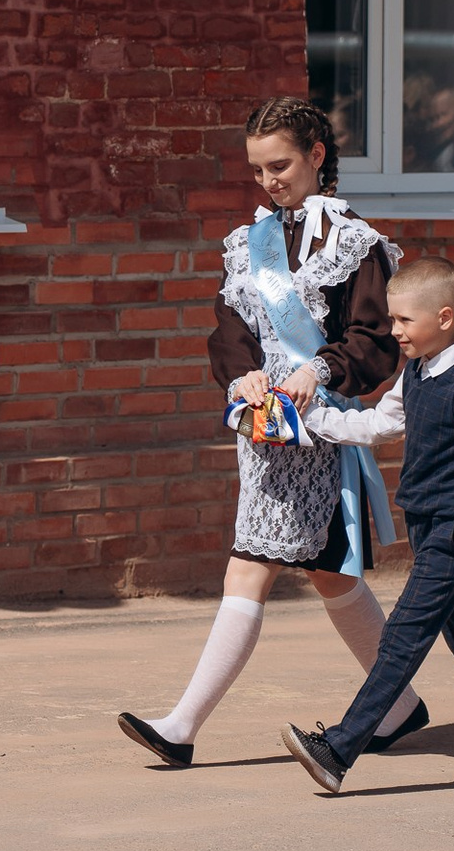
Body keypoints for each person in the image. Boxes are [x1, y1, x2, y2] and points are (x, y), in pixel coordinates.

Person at [117, 96, 425, 767]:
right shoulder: (248, 243)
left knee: (254, 564)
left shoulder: (356, 245)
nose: (268, 180)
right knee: (329, 574)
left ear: (317, 155)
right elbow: (229, 331)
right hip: (261, 431)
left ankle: (182, 728)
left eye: (280, 165)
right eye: (257, 169)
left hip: (319, 433)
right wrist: (243, 376)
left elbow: (376, 340)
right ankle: (400, 706)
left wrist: (321, 367)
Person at [280, 256, 454, 793]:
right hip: (427, 526)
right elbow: (378, 423)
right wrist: (306, 419)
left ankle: (338, 750)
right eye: (392, 319)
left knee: (404, 635)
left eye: (404, 320)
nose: (395, 331)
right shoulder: (418, 372)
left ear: (444, 317)